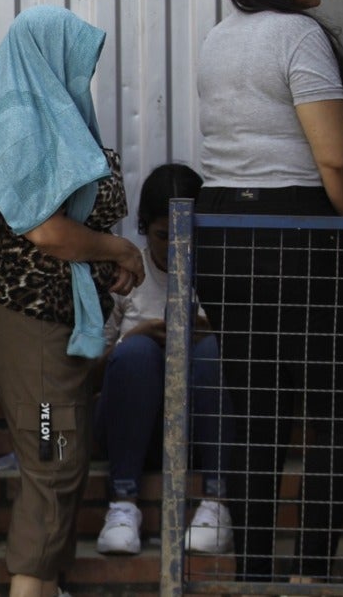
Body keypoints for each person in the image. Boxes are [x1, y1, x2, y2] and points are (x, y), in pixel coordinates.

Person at [193, 0, 343, 585]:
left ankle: (257, 574)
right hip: (291, 233)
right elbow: (336, 155)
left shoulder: (219, 37)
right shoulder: (298, 35)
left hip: (222, 233)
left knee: (259, 410)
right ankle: (308, 574)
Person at [0, 5, 144, 597]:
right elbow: (46, 231)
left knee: (60, 460)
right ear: (43, 56)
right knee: (54, 460)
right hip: (31, 318)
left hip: (52, 318)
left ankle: (43, 587)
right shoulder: (20, 123)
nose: (81, 71)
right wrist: (117, 248)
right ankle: (29, 586)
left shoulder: (54, 117)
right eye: (71, 57)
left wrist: (104, 262)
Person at [91, 164, 235, 557]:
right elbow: (84, 375)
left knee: (216, 351)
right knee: (137, 354)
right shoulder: (125, 275)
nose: (175, 246)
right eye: (162, 235)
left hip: (201, 434)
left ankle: (216, 503)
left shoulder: (222, 273)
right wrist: (133, 339)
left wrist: (211, 333)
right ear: (143, 228)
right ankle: (123, 504)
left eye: (188, 234)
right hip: (131, 429)